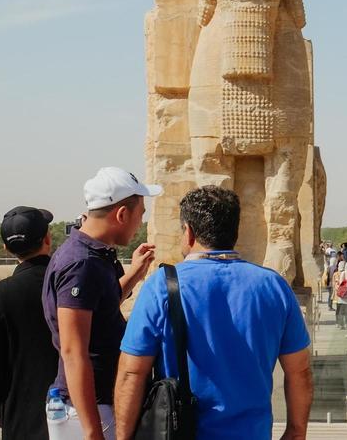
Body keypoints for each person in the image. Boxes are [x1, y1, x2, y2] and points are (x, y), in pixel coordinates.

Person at [114, 186, 312, 440]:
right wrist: (296, 432)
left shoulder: (161, 286)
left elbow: (132, 372)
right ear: (234, 231)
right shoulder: (273, 286)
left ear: (189, 232)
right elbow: (300, 371)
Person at [42, 167, 159, 439]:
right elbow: (73, 352)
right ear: (121, 214)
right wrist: (92, 430)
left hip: (96, 405)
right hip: (90, 410)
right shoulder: (81, 264)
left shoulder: (92, 254)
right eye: (140, 215)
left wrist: (134, 274)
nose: (140, 223)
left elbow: (98, 309)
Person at [0, 206, 60, 439]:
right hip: (75, 414)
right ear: (48, 239)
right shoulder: (69, 287)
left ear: (6, 248)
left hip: (21, 419)